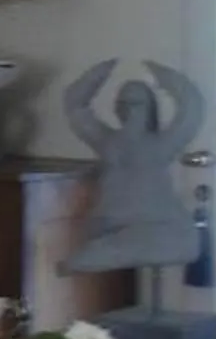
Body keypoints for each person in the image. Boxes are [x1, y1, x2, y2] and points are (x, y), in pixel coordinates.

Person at [62, 58, 206, 275]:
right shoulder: (106, 141)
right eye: (123, 103)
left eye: (137, 103)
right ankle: (101, 251)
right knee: (94, 251)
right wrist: (98, 75)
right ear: (116, 108)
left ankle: (106, 250)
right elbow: (75, 108)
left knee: (102, 252)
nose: (130, 110)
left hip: (162, 224)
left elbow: (191, 109)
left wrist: (165, 76)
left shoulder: (162, 144)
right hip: (111, 223)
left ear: (149, 107)